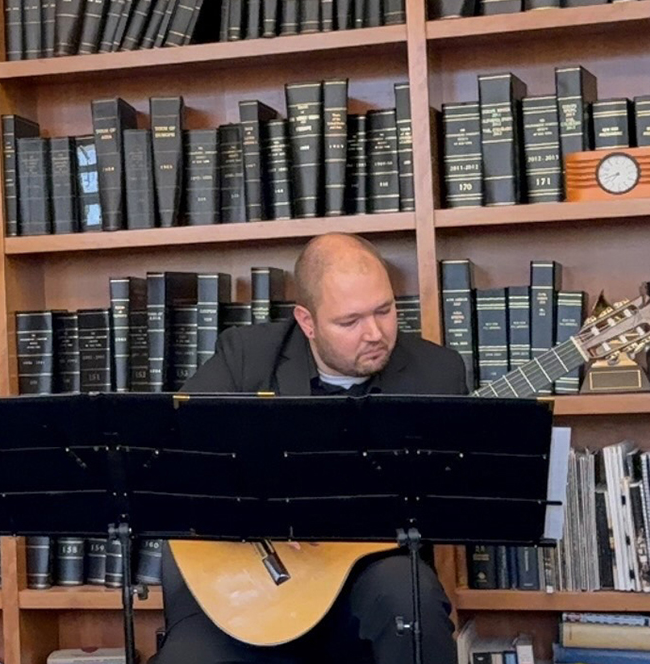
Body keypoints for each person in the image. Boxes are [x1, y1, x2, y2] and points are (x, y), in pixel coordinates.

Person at [150, 233, 468, 664]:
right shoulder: (246, 357)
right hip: (247, 580)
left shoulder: (438, 373)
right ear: (307, 321)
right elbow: (169, 456)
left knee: (411, 601)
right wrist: (261, 513)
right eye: (350, 321)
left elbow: (457, 497)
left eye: (385, 310)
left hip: (369, 575)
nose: (375, 333)